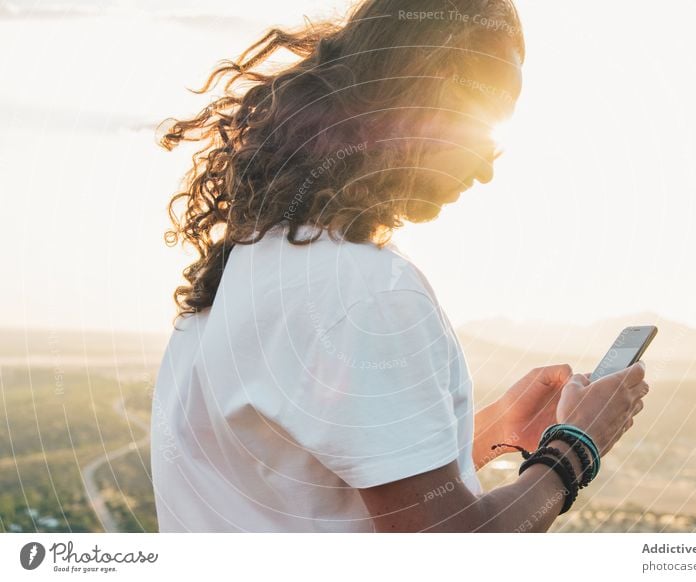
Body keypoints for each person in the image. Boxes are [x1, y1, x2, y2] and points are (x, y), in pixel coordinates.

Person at [150, 0, 650, 532]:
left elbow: (328, 493)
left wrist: (493, 431)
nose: (487, 167)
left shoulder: (243, 272)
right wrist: (577, 446)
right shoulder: (367, 294)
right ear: (418, 100)